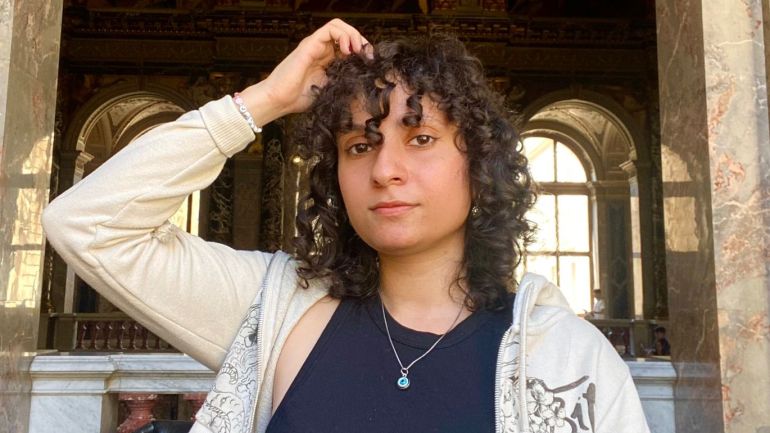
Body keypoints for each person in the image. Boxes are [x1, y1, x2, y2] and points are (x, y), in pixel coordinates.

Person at [42, 18, 650, 433]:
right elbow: (86, 224)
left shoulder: (569, 359)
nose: (385, 170)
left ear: (479, 162)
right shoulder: (274, 311)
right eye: (359, 146)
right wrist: (265, 100)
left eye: (421, 138)